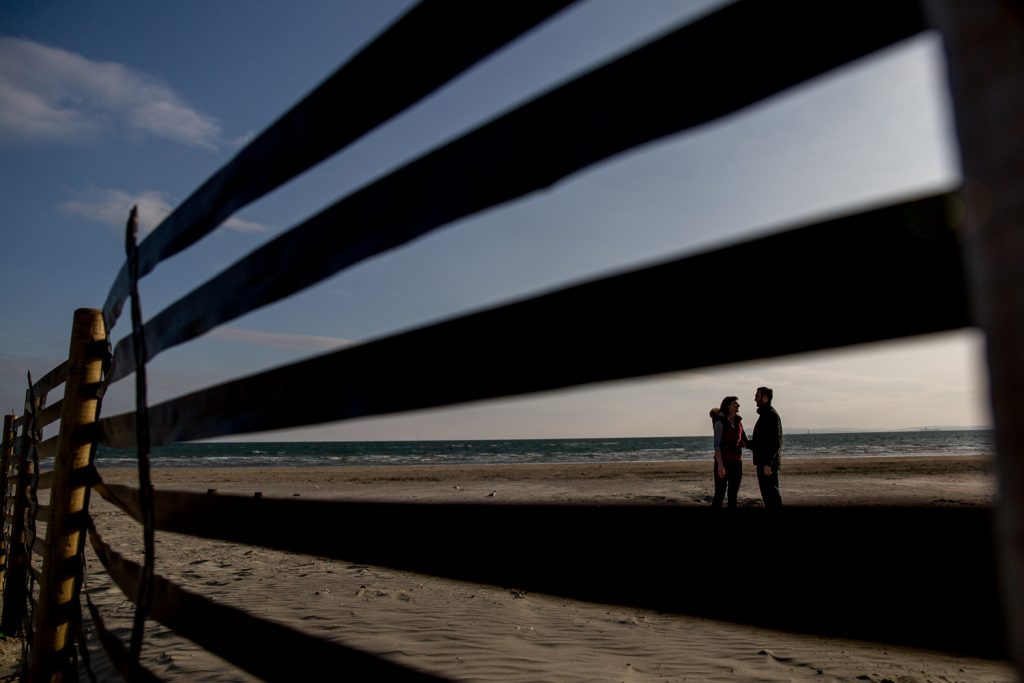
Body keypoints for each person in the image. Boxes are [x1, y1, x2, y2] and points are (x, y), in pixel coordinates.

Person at [748, 386, 783, 507]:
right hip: (763, 462)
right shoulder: (764, 415)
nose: (754, 399)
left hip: (767, 464)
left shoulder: (771, 415)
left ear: (765, 398)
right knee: (768, 498)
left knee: (772, 497)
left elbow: (775, 442)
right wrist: (746, 443)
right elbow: (760, 443)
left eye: (757, 396)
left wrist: (768, 464)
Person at [709, 395, 747, 507]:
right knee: (719, 494)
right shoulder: (720, 423)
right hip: (723, 462)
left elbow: (745, 440)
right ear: (727, 406)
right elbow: (717, 446)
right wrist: (720, 465)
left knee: (733, 495)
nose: (737, 405)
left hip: (737, 462)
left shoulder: (738, 422)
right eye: (734, 403)